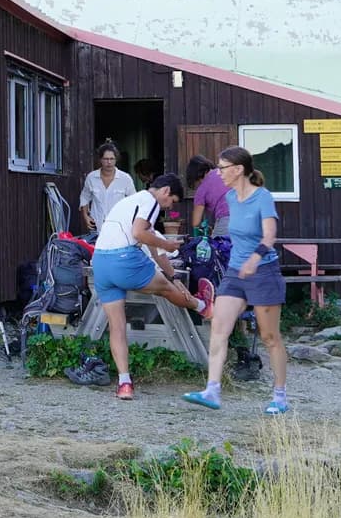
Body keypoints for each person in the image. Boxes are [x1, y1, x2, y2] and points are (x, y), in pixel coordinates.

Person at [185, 146, 289, 415]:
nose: (218, 173)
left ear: (238, 169)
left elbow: (269, 236)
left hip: (263, 271)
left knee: (269, 337)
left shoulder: (262, 197)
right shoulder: (231, 198)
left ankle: (279, 396)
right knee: (219, 327)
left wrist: (255, 259)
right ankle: (212, 389)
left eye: (222, 168)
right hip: (234, 273)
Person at [90, 176, 212, 400]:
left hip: (100, 263)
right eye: (172, 201)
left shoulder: (129, 203)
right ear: (165, 191)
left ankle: (124, 383)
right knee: (164, 288)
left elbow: (155, 249)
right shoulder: (150, 201)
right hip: (124, 260)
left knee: (117, 327)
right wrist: (168, 245)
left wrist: (173, 276)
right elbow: (139, 234)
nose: (169, 207)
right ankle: (202, 306)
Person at [79, 141, 137, 233]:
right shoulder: (92, 177)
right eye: (106, 159)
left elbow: (134, 201)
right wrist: (85, 216)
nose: (109, 162)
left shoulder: (125, 178)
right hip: (97, 226)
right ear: (100, 160)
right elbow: (85, 197)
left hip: (119, 227)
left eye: (112, 159)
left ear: (116, 159)